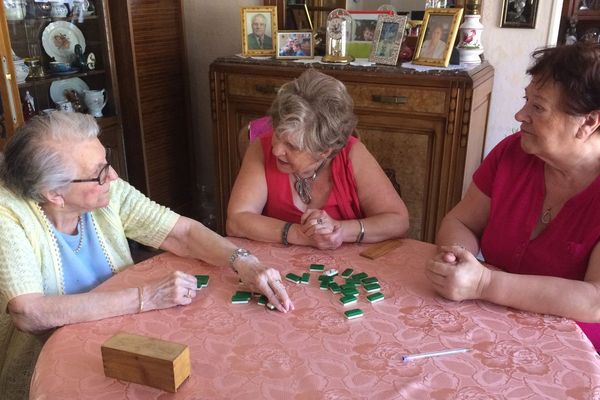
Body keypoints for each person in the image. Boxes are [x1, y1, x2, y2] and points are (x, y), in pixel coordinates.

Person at [0, 112, 293, 399]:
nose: (112, 175)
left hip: (121, 335)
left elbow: (183, 233)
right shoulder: (8, 214)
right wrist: (147, 297)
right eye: (99, 172)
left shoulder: (106, 191)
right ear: (54, 194)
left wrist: (243, 261)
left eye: (107, 162)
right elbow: (30, 313)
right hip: (53, 360)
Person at [425, 43, 600, 350]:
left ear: (587, 122)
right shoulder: (511, 152)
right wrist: (457, 257)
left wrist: (484, 284)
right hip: (490, 327)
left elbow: (595, 300)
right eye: (526, 100)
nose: (520, 114)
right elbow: (461, 221)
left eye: (538, 107)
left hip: (569, 349)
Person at [227, 69, 409, 250]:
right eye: (277, 133)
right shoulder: (261, 148)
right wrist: (300, 234)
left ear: (324, 151)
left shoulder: (353, 155)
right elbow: (236, 220)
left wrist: (339, 231)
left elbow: (398, 221)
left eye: (292, 146)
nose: (276, 151)